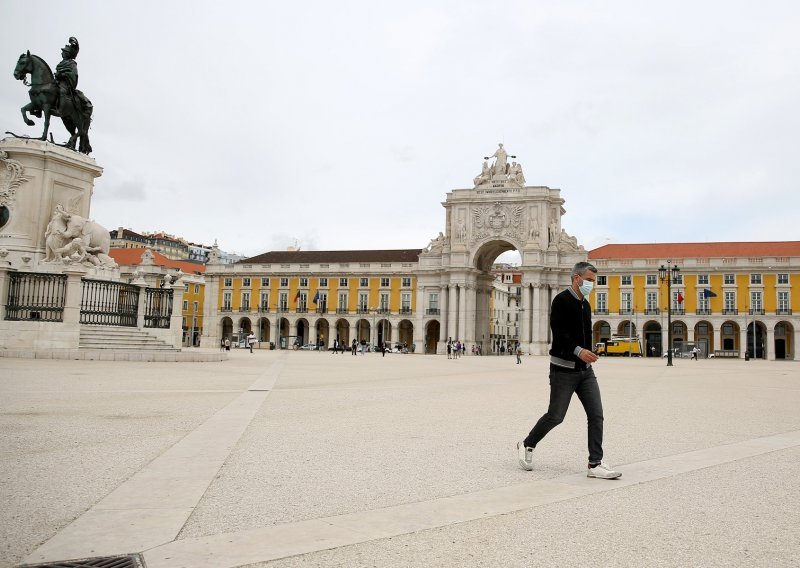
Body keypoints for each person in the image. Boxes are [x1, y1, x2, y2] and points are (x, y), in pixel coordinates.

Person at [517, 262, 621, 480]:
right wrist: (578, 350)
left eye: (594, 281)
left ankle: (595, 463)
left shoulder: (586, 305)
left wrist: (588, 353)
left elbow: (585, 335)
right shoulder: (561, 300)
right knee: (556, 416)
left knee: (596, 415)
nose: (592, 284)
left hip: (585, 370)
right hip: (563, 370)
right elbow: (560, 333)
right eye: (590, 280)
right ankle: (527, 444)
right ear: (576, 278)